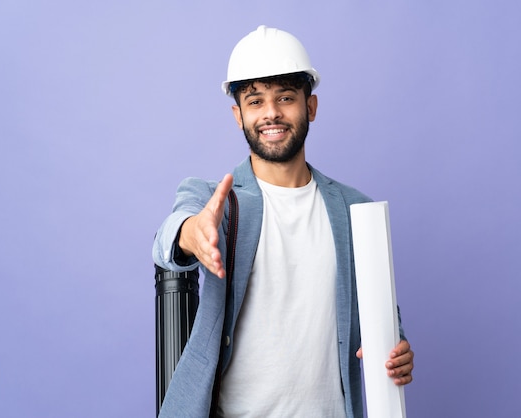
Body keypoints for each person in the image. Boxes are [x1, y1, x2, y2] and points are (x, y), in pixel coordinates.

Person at [153, 25, 414, 417]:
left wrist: (397, 351)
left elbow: (384, 321)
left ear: (310, 107)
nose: (271, 112)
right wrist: (194, 234)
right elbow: (170, 237)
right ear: (237, 115)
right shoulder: (216, 200)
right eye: (255, 101)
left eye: (286, 98)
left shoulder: (355, 211)